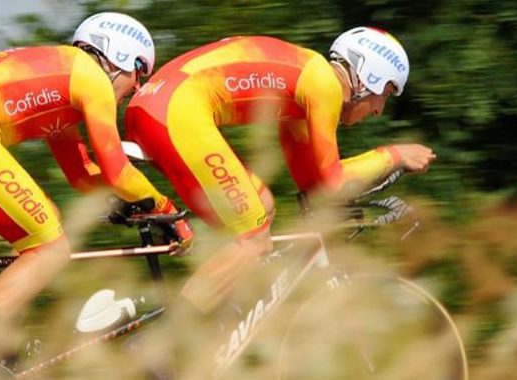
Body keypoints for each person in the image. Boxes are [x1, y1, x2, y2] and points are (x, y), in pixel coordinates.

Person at [0, 12, 191, 364]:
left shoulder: (62, 84)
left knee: (38, 237)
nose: (135, 87)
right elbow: (117, 170)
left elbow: (83, 175)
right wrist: (165, 209)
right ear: (117, 57)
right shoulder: (91, 80)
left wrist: (127, 204)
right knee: (50, 248)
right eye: (138, 72)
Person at [125, 27, 436, 317]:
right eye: (385, 93)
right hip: (174, 112)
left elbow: (314, 185)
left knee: (263, 207)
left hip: (155, 108)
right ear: (369, 76)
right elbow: (332, 182)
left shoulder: (304, 93)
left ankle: (210, 316)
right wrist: (393, 155)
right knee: (254, 240)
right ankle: (167, 345)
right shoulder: (324, 85)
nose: (379, 109)